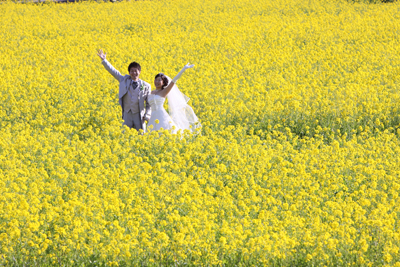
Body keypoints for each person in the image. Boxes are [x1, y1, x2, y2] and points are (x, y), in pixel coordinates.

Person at [97, 49, 151, 132]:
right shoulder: (124, 80)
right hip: (127, 114)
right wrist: (104, 60)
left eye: (135, 71)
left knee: (141, 136)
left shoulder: (146, 86)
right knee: (125, 135)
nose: (134, 73)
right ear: (129, 72)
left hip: (139, 115)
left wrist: (147, 114)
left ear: (139, 72)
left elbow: (149, 103)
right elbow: (114, 72)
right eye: (131, 71)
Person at [147, 63, 200, 133]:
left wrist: (183, 69)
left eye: (159, 80)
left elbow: (174, 80)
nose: (156, 81)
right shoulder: (151, 92)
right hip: (152, 117)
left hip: (162, 116)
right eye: (156, 79)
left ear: (163, 82)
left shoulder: (164, 91)